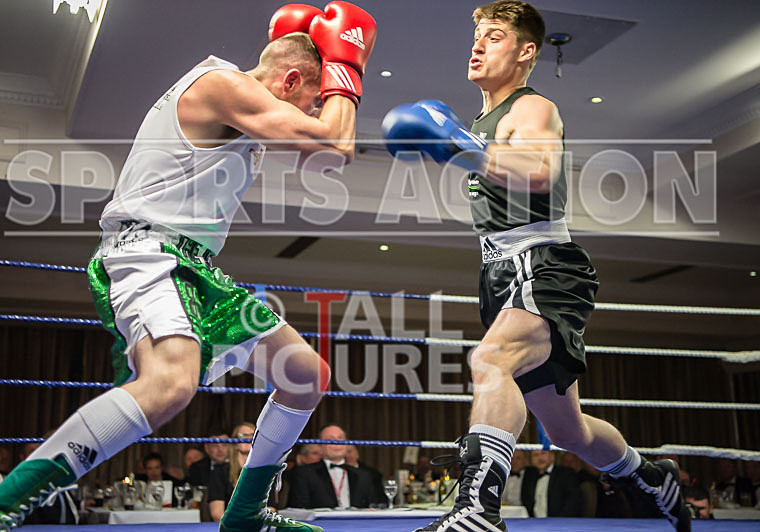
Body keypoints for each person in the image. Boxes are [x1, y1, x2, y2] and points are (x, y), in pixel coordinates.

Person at [0, 3, 376, 531]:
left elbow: (319, 148)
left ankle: (245, 515)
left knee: (304, 375)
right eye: (310, 100)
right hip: (149, 254)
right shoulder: (223, 84)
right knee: (170, 384)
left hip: (196, 268)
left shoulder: (236, 98)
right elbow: (334, 145)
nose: (315, 110)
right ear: (290, 79)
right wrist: (347, 69)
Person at [382, 2, 689, 531]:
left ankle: (478, 512)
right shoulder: (483, 122)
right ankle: (646, 475)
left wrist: (456, 143)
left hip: (543, 264)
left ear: (526, 51)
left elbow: (539, 173)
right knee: (567, 430)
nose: (477, 45)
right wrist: (461, 143)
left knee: (490, 361)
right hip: (502, 273)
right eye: (477, 36)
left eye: (494, 36)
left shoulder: (531, 108)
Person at [286, 425, 377, 509]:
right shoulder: (304, 473)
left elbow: (373, 508)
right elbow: (296, 510)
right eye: (330, 439)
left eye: (340, 438)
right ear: (320, 446)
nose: (336, 442)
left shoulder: (364, 476)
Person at [208, 422, 256, 521]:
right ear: (234, 442)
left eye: (252, 435)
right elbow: (217, 514)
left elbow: (270, 509)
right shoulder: (220, 472)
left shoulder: (265, 471)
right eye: (243, 435)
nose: (248, 438)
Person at [519, 450, 581, 517]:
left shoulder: (566, 474)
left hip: (560, 523)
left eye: (543, 453)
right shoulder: (529, 476)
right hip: (534, 523)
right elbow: (526, 500)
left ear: (552, 456)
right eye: (535, 455)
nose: (540, 458)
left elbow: (572, 503)